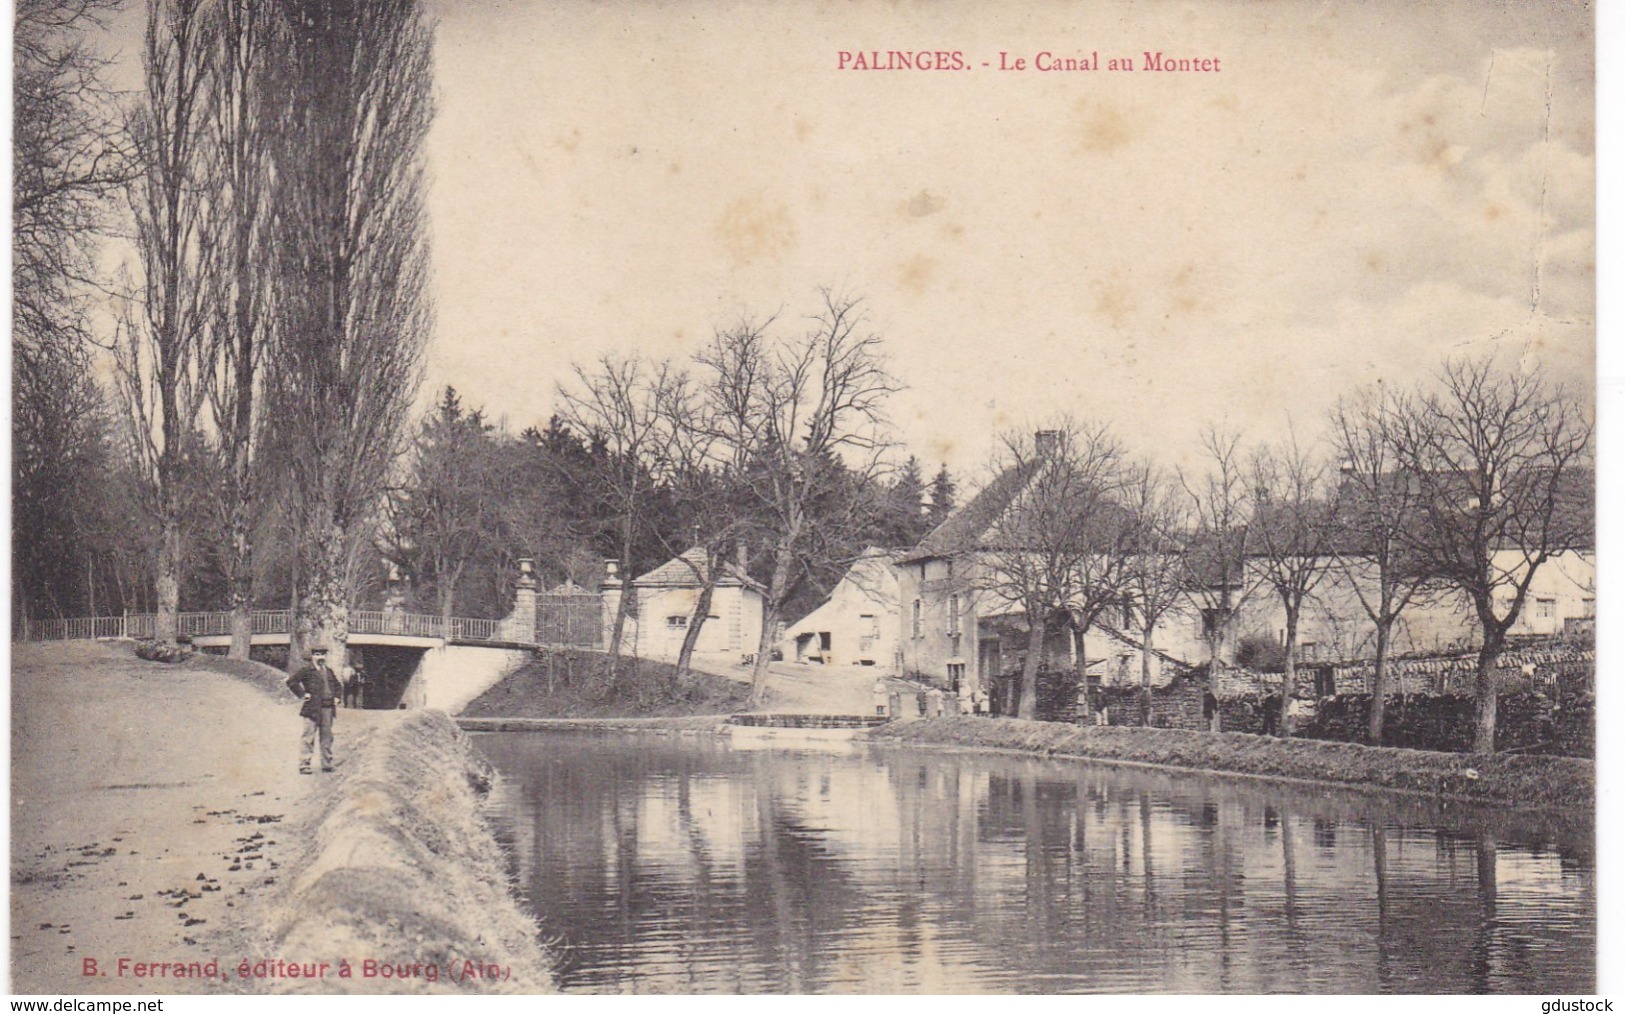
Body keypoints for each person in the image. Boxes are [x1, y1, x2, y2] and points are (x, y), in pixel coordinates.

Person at [287, 646, 341, 773]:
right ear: (312, 656)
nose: (320, 657)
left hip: (328, 708)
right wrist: (302, 694)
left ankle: (327, 763)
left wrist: (337, 697)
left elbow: (338, 686)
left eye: (322, 655)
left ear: (325, 657)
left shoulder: (328, 671)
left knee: (327, 737)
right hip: (312, 709)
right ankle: (304, 764)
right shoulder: (307, 670)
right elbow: (292, 682)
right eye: (317, 654)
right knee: (308, 736)